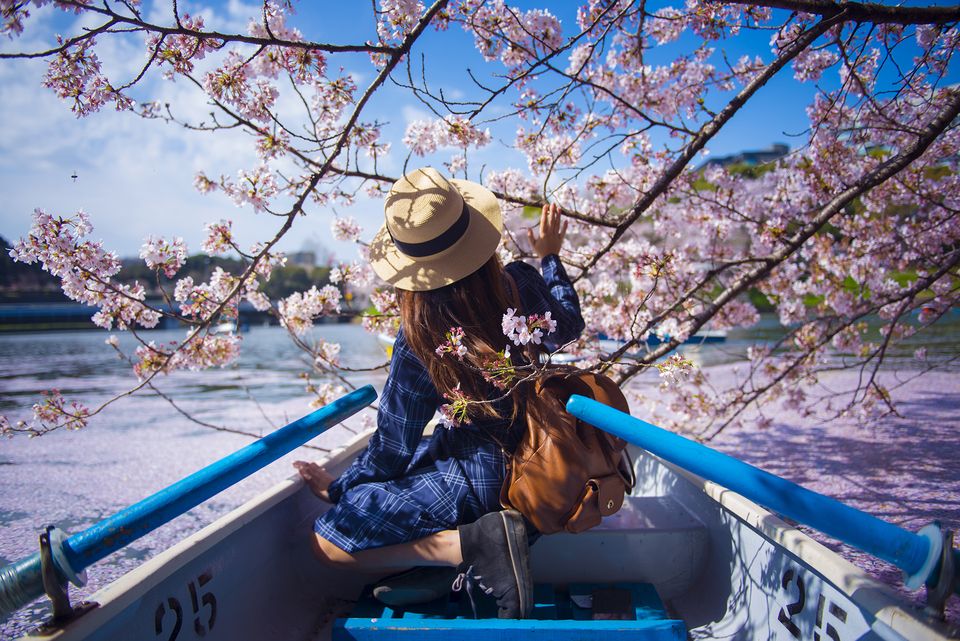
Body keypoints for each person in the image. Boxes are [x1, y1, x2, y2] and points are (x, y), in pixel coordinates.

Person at [294, 167, 585, 619]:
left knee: (326, 540)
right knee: (414, 465)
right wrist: (549, 257)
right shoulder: (521, 284)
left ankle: (471, 546)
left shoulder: (421, 336)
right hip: (545, 467)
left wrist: (339, 490)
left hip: (483, 484)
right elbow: (568, 326)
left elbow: (393, 447)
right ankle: (471, 557)